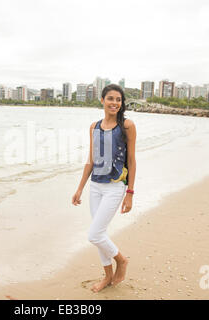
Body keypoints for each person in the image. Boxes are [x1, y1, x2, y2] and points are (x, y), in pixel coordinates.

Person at [72, 84, 137, 293]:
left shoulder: (127, 125)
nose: (115, 103)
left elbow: (132, 160)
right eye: (110, 98)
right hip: (95, 186)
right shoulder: (94, 127)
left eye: (118, 100)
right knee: (100, 233)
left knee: (94, 234)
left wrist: (130, 193)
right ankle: (108, 276)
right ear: (102, 100)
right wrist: (80, 188)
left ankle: (122, 261)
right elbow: (91, 159)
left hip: (115, 187)